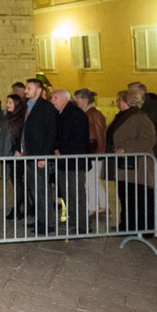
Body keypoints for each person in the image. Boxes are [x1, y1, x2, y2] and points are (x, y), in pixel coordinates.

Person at [107, 90, 157, 233]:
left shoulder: (139, 117)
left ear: (126, 101)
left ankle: (142, 227)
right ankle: (126, 225)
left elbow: (148, 139)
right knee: (125, 195)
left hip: (137, 165)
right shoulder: (122, 116)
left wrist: (125, 148)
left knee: (138, 196)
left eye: (119, 99)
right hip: (124, 165)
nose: (117, 101)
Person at [16, 79, 58, 234]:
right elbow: (22, 129)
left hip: (39, 155)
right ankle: (40, 220)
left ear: (39, 90)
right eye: (26, 88)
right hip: (28, 153)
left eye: (29, 88)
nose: (25, 91)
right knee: (34, 189)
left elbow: (51, 134)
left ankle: (48, 222)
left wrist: (44, 156)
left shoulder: (46, 108)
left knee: (42, 190)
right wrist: (18, 148)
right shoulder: (26, 106)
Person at [51, 89, 91, 233]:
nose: (52, 100)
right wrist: (56, 148)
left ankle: (83, 224)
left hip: (74, 161)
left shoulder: (76, 114)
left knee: (76, 192)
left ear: (65, 99)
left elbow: (78, 139)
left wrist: (61, 150)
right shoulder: (60, 114)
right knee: (66, 192)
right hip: (63, 160)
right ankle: (73, 218)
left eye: (55, 97)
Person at [74, 89, 108, 219]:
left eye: (77, 99)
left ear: (84, 100)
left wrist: (99, 153)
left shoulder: (94, 114)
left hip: (94, 153)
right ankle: (103, 205)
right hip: (92, 152)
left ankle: (92, 207)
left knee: (90, 181)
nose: (76, 102)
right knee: (94, 180)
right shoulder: (88, 113)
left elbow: (100, 135)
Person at [127, 82, 157, 165]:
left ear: (142, 92)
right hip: (134, 151)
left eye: (132, 92)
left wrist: (149, 139)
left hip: (153, 151)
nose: (129, 95)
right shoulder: (129, 107)